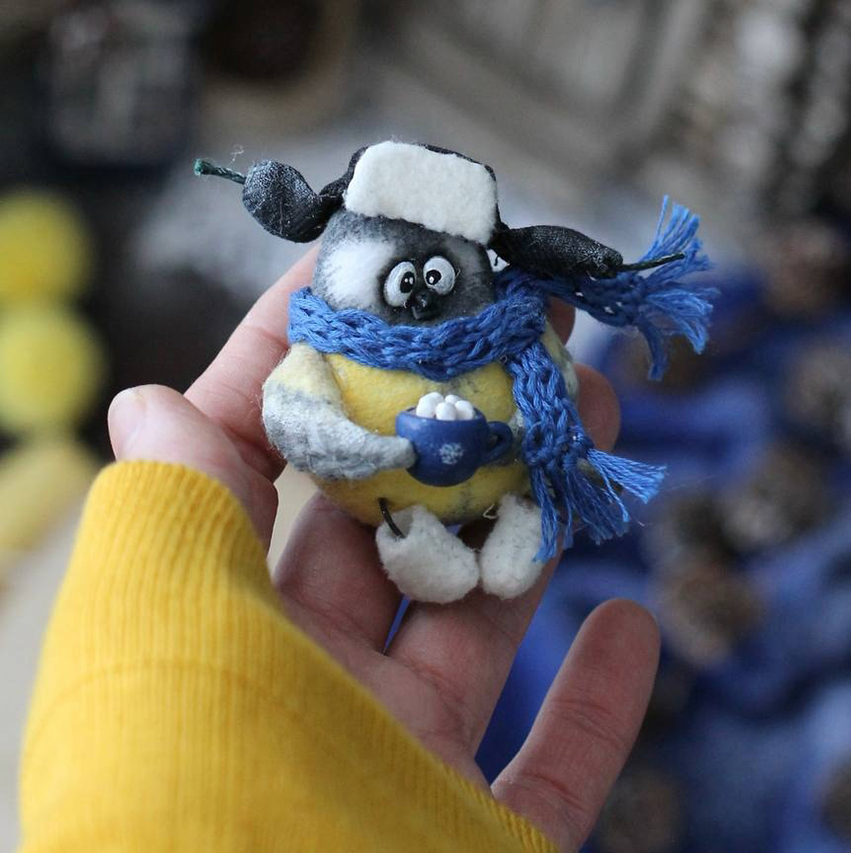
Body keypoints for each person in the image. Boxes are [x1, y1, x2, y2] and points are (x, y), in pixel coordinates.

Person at [18, 251, 660, 852]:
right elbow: (298, 411)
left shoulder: (513, 335)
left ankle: (513, 526)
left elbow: (547, 403)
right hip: (397, 506)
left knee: (529, 506)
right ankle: (449, 539)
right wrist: (379, 449)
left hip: (492, 484)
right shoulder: (326, 351)